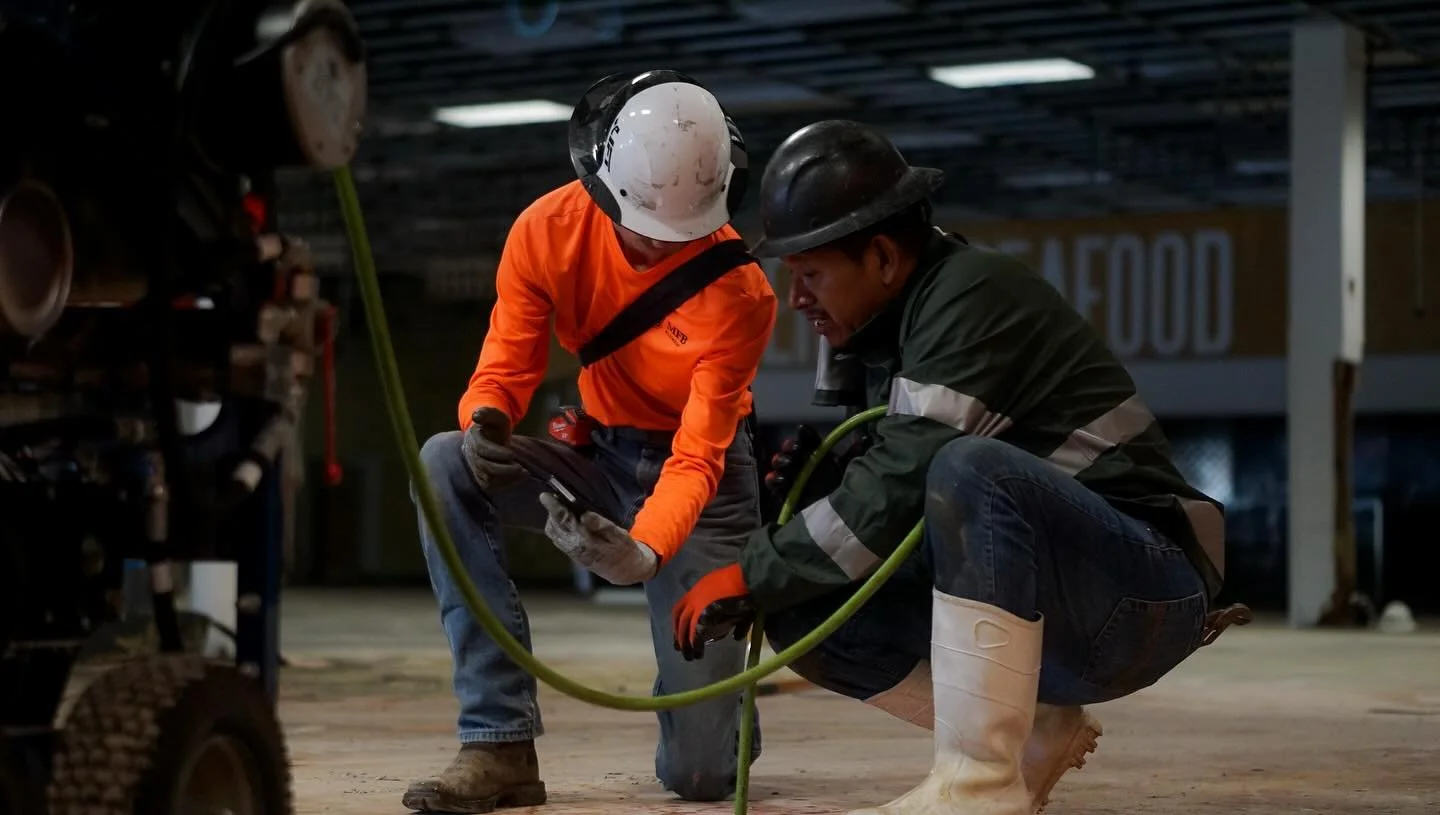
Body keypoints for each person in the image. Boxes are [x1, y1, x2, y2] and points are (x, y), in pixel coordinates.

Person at [670, 119, 1248, 815]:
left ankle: (980, 784)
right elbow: (885, 498)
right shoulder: (906, 326)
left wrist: (754, 567)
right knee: (810, 609)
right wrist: (786, 569)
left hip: (1143, 593)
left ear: (883, 258)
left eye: (812, 273)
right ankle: (1033, 731)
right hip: (1078, 601)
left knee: (968, 469)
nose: (798, 299)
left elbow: (907, 479)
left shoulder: (970, 295)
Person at [404, 69, 777, 813]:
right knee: (442, 461)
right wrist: (487, 419)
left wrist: (641, 553)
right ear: (602, 187)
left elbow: (698, 455)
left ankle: (712, 704)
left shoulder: (742, 296)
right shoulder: (546, 231)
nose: (655, 246)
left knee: (701, 780)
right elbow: (506, 363)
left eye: (681, 231)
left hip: (703, 487)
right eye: (640, 226)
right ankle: (499, 740)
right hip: (601, 455)